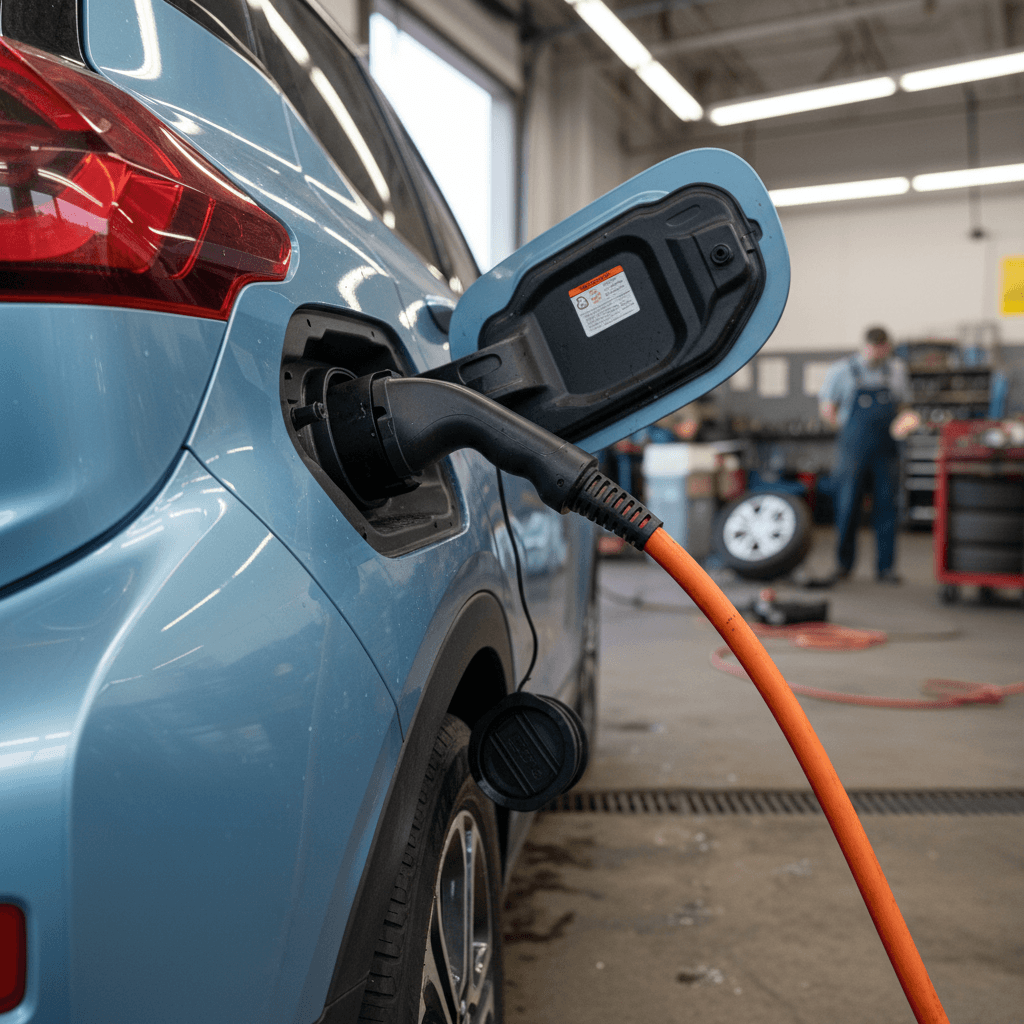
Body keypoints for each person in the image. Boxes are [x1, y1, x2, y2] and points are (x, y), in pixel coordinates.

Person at [818, 326, 920, 583]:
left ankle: (886, 569)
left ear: (888, 347)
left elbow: (904, 406)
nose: (878, 352)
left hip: (886, 451)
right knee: (847, 506)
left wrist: (906, 421)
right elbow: (827, 409)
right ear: (864, 345)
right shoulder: (841, 370)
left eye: (883, 347)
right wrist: (846, 431)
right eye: (874, 347)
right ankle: (844, 565)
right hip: (853, 450)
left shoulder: (896, 370)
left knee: (887, 508)